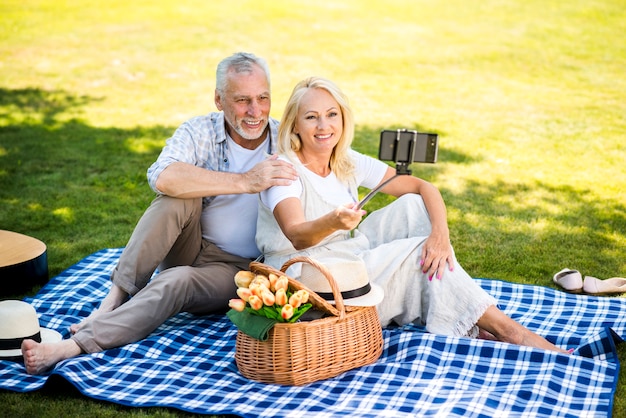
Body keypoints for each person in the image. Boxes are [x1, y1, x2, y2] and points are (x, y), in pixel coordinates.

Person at [21, 52, 299, 374]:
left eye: (263, 98)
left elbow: (334, 158)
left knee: (175, 281)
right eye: (242, 100)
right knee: (175, 198)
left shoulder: (286, 141)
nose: (255, 111)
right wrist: (245, 182)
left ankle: (73, 346)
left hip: (238, 270)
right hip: (190, 245)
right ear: (219, 100)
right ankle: (113, 300)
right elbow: (163, 176)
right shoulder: (199, 131)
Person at [256, 76, 570, 354]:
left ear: (343, 118)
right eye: (311, 117)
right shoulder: (283, 170)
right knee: (416, 253)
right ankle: (511, 331)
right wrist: (334, 221)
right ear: (295, 124)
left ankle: (469, 316)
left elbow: (423, 186)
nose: (324, 126)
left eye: (331, 114)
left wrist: (440, 236)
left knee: (413, 207)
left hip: (346, 255)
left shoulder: (345, 160)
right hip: (309, 281)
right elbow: (297, 235)